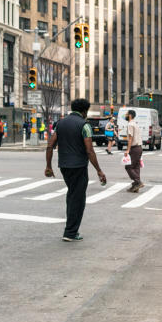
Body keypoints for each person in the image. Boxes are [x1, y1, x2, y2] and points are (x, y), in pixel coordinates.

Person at [45, 98, 107, 242]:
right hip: (78, 166)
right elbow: (90, 151)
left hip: (64, 167)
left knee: (72, 195)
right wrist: (99, 170)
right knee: (78, 199)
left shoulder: (60, 123)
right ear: (84, 111)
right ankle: (70, 232)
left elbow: (50, 146)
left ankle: (71, 229)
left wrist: (48, 166)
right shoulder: (84, 125)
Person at [123, 110, 144, 192]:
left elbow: (130, 138)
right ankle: (136, 186)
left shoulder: (130, 124)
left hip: (134, 148)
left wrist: (127, 150)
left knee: (128, 166)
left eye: (126, 114)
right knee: (136, 166)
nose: (125, 115)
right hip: (139, 148)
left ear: (130, 115)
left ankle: (138, 182)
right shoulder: (135, 124)